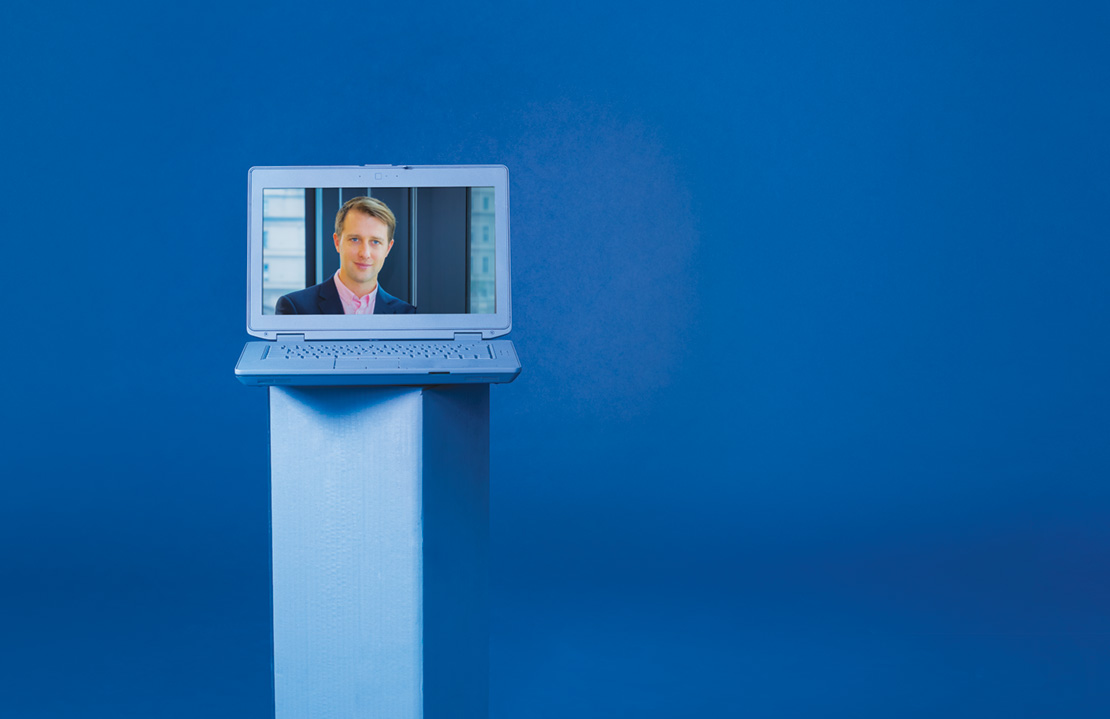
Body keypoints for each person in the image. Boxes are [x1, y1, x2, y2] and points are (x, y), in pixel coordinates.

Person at [276, 196, 416, 315]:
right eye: (355, 239)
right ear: (337, 242)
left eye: (375, 242)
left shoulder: (408, 314)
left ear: (388, 249)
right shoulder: (295, 308)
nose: (365, 253)